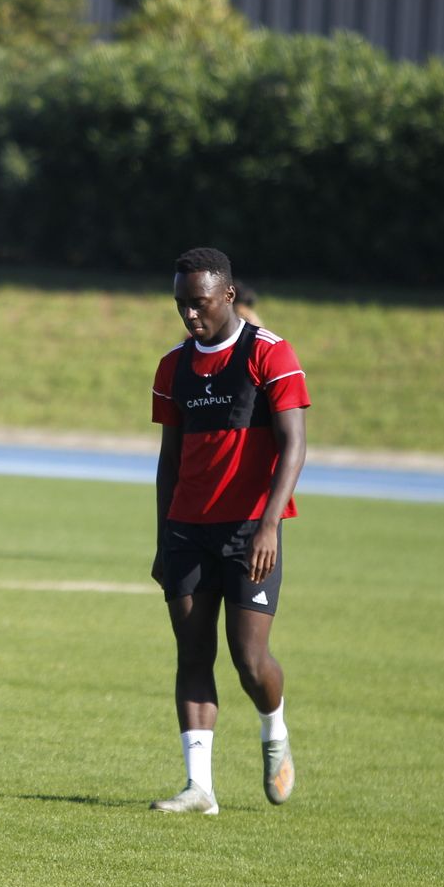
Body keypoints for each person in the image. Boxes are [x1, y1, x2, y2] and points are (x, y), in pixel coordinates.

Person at [148, 247, 308, 815]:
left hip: (248, 531)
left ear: (229, 296)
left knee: (249, 659)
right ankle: (200, 788)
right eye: (181, 305)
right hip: (188, 530)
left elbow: (294, 446)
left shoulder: (270, 354)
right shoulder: (173, 366)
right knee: (192, 653)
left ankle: (274, 728)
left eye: (200, 304)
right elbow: (169, 460)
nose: (190, 316)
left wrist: (269, 524)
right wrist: (164, 536)